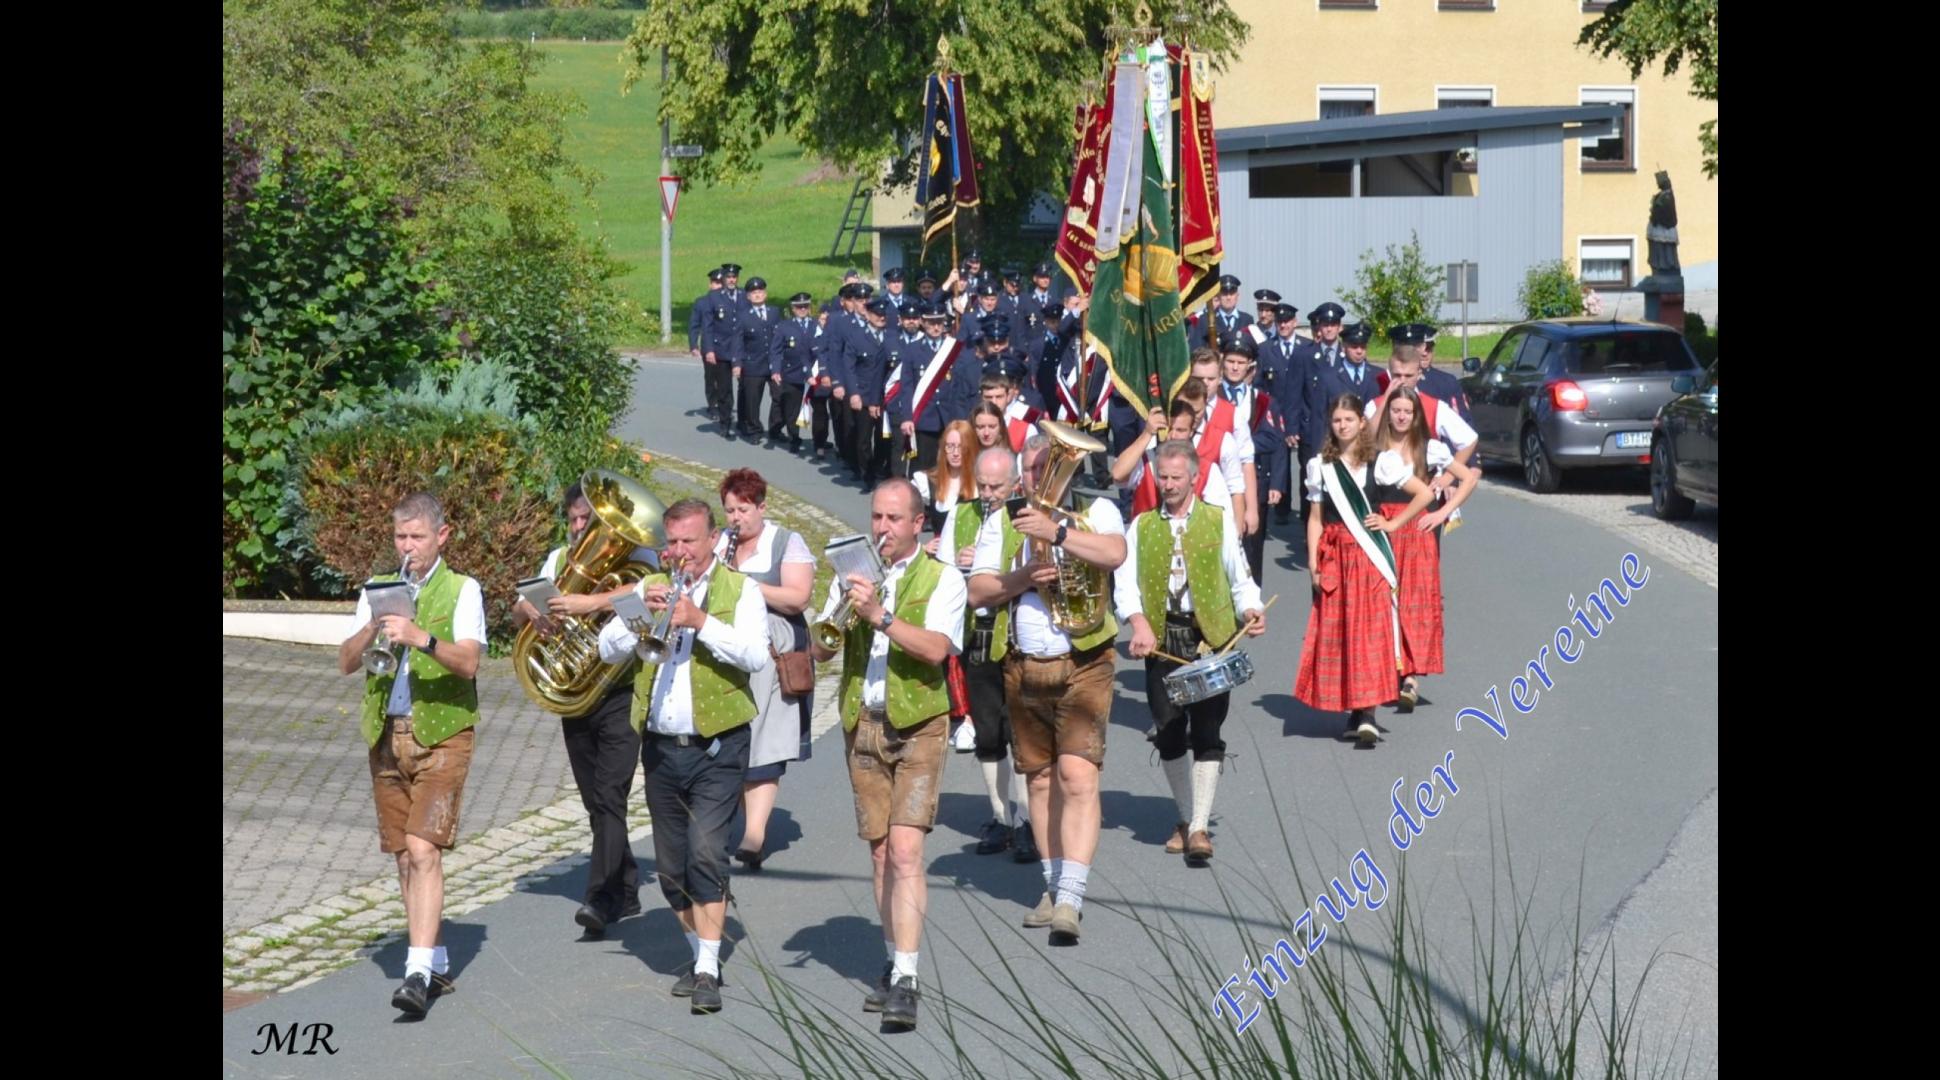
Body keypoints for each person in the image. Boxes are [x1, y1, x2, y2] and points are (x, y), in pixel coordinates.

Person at [598, 499, 772, 1015]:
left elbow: (756, 655)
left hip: (718, 744)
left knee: (705, 854)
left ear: (713, 540)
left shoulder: (742, 591)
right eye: (670, 544)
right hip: (659, 745)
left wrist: (699, 621)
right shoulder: (650, 586)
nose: (677, 554)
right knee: (672, 869)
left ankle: (704, 971)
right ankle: (704, 957)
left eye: (687, 543)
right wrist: (637, 611)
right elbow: (608, 650)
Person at [808, 479, 967, 1030]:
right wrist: (835, 618)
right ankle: (892, 956)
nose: (882, 529)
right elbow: (822, 646)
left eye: (893, 519)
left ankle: (906, 977)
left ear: (917, 524)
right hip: (863, 722)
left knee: (904, 852)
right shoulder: (855, 573)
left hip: (919, 724)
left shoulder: (944, 578)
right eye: (877, 516)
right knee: (879, 855)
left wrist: (879, 615)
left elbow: (938, 649)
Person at [968, 435, 1128, 943]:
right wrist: (1022, 578)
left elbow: (1115, 553)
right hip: (1022, 663)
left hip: (1085, 659)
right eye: (1033, 471)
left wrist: (1057, 533)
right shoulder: (1003, 520)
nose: (1041, 478)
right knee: (1038, 781)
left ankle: (1071, 900)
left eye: (1049, 467)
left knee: (1077, 775)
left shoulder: (1094, 508)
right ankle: (1054, 884)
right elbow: (978, 590)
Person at [337, 492, 486, 1016]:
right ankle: (435, 956)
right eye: (401, 537)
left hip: (443, 733)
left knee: (424, 850)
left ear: (441, 537)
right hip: (387, 733)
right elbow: (346, 663)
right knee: (403, 854)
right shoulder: (377, 589)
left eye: (417, 537)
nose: (408, 547)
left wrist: (422, 638)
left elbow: (469, 663)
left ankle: (417, 973)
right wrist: (371, 629)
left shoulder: (464, 590)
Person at [511, 484, 660, 939]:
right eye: (575, 521)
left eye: (586, 520)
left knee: (611, 794)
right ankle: (627, 886)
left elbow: (652, 592)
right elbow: (520, 607)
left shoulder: (640, 561)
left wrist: (590, 602)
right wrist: (532, 615)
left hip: (619, 692)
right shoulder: (559, 561)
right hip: (576, 693)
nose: (580, 529)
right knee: (596, 800)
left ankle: (599, 898)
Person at [1117, 440, 1265, 863]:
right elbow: (1125, 584)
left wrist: (1251, 609)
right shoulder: (1141, 526)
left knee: (1206, 732)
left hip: (1210, 639)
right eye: (1162, 477)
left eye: (1176, 478)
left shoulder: (1218, 522)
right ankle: (1185, 816)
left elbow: (1240, 578)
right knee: (1167, 733)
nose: (1167, 485)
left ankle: (1197, 826)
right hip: (1162, 639)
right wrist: (1139, 623)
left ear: (1195, 478)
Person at [1294, 397, 1433, 745]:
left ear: (1361, 423)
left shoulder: (1381, 462)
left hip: (1370, 556)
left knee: (1369, 632)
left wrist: (1392, 522)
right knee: (1342, 631)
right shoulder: (1319, 467)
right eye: (1337, 420)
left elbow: (1424, 493)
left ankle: (1368, 712)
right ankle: (1355, 708)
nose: (1342, 426)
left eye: (1349, 419)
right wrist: (1313, 563)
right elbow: (1314, 519)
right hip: (1336, 556)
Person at [938, 447, 1036, 858]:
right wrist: (961, 566)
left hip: (1012, 633)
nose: (990, 493)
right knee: (987, 730)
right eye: (983, 485)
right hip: (974, 634)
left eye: (997, 486)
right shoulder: (960, 515)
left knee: (1021, 731)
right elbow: (939, 574)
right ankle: (1001, 818)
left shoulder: (1025, 516)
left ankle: (1030, 820)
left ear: (1014, 483)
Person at [715, 469, 816, 871]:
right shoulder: (721, 542)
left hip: (774, 651)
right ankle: (742, 824)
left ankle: (754, 834)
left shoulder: (786, 543)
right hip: (729, 648)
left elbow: (797, 597)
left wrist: (745, 586)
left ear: (761, 507)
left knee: (767, 739)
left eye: (743, 509)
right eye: (729, 510)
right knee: (736, 735)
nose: (735, 518)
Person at [1372, 387, 1479, 711]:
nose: (1401, 416)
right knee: (1382, 600)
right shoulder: (1375, 447)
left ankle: (1411, 676)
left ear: (1416, 415)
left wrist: (1441, 513)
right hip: (1383, 527)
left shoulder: (1430, 448)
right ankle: (1388, 668)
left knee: (1414, 601)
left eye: (1407, 411)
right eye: (1396, 411)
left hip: (1417, 529)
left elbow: (1470, 476)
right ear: (1388, 414)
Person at [733, 277, 781, 441]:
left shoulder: (775, 312)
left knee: (780, 397)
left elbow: (780, 337)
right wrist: (737, 364)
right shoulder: (742, 316)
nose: (757, 295)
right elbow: (738, 342)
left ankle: (775, 429)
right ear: (748, 297)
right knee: (753, 400)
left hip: (774, 364)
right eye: (754, 293)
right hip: (753, 364)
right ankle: (754, 430)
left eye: (760, 291)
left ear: (765, 294)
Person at [770, 292, 817, 452]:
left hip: (815, 373)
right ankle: (794, 438)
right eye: (799, 307)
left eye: (805, 306)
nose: (802, 309)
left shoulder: (817, 325)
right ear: (793, 308)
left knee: (820, 410)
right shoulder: (784, 327)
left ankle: (820, 439)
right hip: (792, 373)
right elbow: (775, 351)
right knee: (792, 409)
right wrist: (775, 370)